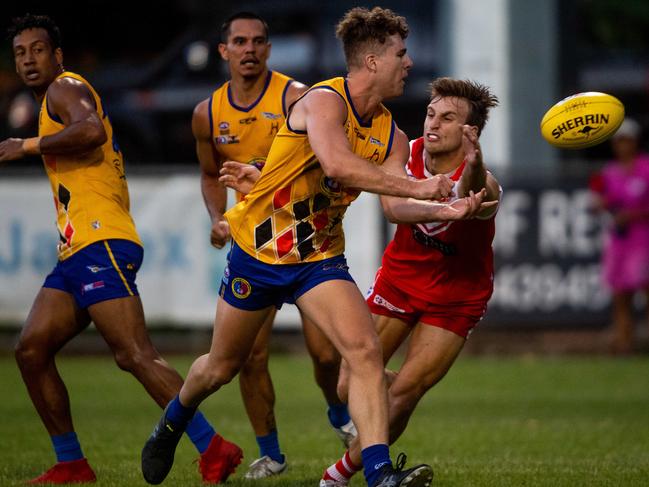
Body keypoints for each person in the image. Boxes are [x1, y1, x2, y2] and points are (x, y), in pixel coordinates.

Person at [141, 7, 456, 487]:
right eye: (401, 53)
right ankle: (172, 422)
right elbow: (338, 166)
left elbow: (394, 207)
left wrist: (444, 209)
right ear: (371, 61)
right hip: (259, 252)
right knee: (221, 367)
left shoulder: (392, 133)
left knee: (364, 353)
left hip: (318, 260)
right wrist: (421, 189)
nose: (408, 63)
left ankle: (377, 475)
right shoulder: (323, 100)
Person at [0, 14, 237, 485]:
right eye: (20, 53)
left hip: (100, 239)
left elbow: (92, 131)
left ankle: (215, 449)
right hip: (77, 249)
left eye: (38, 50)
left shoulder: (66, 88)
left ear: (58, 55)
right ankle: (72, 464)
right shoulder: (52, 99)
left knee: (135, 354)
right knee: (30, 350)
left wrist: (26, 144)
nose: (29, 59)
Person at [192, 11, 355, 479]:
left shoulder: (296, 96)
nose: (250, 49)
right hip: (253, 246)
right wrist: (218, 217)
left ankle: (339, 414)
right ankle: (272, 454)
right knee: (249, 356)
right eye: (239, 41)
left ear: (268, 49)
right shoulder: (207, 113)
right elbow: (208, 173)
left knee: (326, 354)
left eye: (259, 41)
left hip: (304, 241)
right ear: (224, 51)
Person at [316, 77, 501, 486]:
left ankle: (337, 476)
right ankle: (375, 423)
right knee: (351, 386)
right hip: (401, 279)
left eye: (448, 118)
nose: (433, 124)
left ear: (470, 132)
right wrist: (445, 208)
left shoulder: (485, 182)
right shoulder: (404, 152)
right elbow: (396, 209)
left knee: (405, 391)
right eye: (431, 113)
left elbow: (475, 195)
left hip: (458, 295)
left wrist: (471, 168)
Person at [589, 118, 649, 354]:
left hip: (643, 239)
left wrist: (633, 215)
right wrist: (600, 205)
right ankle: (626, 342)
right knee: (620, 294)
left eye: (627, 140)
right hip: (619, 241)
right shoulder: (610, 172)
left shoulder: (646, 168)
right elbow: (604, 201)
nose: (623, 145)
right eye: (619, 141)